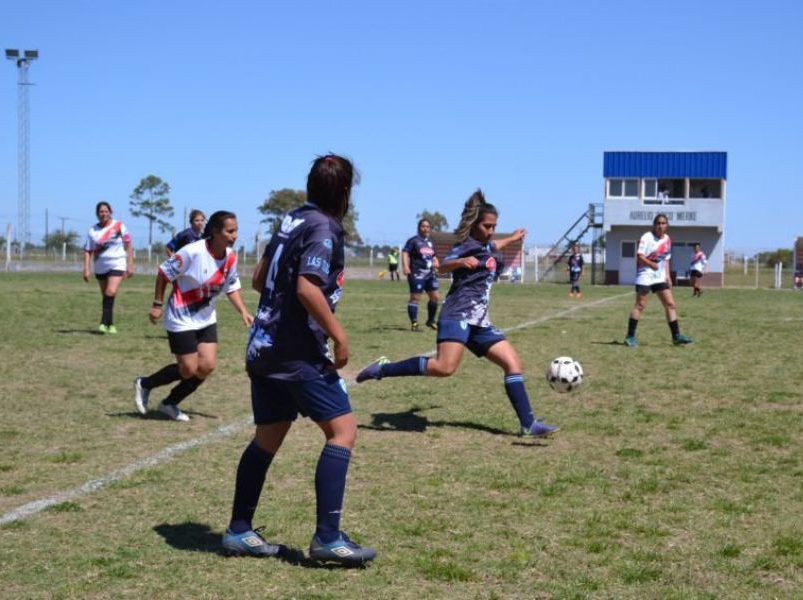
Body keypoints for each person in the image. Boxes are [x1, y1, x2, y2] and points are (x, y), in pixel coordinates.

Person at [223, 154, 375, 567]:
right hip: (296, 353)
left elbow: (258, 279)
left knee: (267, 437)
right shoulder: (324, 227)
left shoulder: (292, 219)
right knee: (342, 431)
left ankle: (240, 530)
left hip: (263, 348)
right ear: (344, 192)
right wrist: (338, 337)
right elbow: (309, 288)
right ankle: (328, 537)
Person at [356, 189, 559, 438]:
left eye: (494, 226)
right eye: (487, 226)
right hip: (458, 314)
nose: (491, 231)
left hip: (480, 322)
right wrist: (462, 263)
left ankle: (528, 424)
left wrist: (513, 238)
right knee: (444, 368)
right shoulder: (465, 246)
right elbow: (444, 263)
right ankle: (383, 369)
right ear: (474, 224)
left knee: (513, 363)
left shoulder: (485, 244)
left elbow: (493, 245)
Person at [133, 211, 253, 422]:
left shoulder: (230, 257)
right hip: (181, 317)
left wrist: (243, 311)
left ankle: (169, 403)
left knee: (206, 366)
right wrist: (157, 304)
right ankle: (145, 384)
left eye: (236, 231)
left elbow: (231, 287)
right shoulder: (193, 252)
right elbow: (164, 273)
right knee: (188, 369)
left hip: (206, 318)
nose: (234, 236)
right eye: (230, 231)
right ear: (215, 232)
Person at [623, 214, 693, 347]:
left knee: (670, 304)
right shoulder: (647, 237)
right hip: (645, 273)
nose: (661, 226)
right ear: (654, 225)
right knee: (640, 305)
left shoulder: (667, 239)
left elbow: (666, 259)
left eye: (663, 223)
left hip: (659, 275)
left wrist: (667, 276)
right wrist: (651, 264)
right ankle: (630, 336)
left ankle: (676, 336)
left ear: (667, 225)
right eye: (658, 223)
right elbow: (640, 256)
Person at [82, 201, 134, 334]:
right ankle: (111, 324)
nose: (103, 214)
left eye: (106, 211)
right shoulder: (93, 230)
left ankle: (103, 323)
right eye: (101, 211)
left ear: (110, 211)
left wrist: (130, 265)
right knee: (106, 296)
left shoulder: (119, 226)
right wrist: (86, 269)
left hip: (117, 263)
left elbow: (128, 245)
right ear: (97, 213)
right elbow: (88, 250)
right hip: (100, 266)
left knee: (110, 292)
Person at [402, 218, 441, 331]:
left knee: (435, 297)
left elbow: (434, 256)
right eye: (423, 226)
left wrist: (436, 261)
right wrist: (405, 266)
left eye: (428, 226)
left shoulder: (430, 242)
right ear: (419, 228)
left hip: (430, 274)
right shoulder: (413, 241)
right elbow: (405, 252)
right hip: (416, 273)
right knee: (415, 298)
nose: (426, 228)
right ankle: (414, 324)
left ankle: (430, 321)